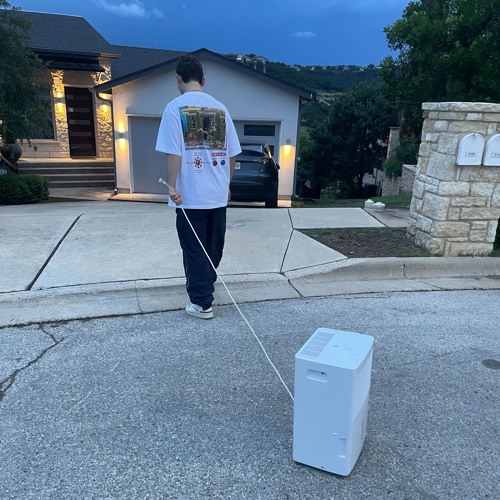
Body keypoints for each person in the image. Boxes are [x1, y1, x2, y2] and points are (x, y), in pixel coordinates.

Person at [156, 54, 241, 319]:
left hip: (190, 195)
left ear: (178, 79)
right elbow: (232, 154)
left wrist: (172, 186)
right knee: (214, 246)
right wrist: (227, 183)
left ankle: (202, 303)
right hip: (217, 192)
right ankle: (205, 286)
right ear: (203, 79)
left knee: (194, 248)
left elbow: (173, 153)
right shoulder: (221, 109)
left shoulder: (174, 108)